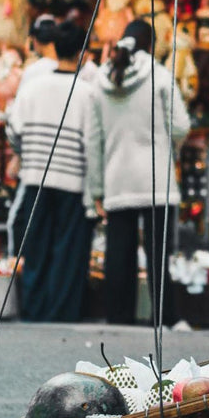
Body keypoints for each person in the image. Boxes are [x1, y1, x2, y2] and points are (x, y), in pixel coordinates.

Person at [85, 19, 190, 326]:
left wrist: (96, 190)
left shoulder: (100, 82)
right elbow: (181, 125)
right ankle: (165, 317)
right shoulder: (159, 75)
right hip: (156, 177)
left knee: (118, 253)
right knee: (158, 254)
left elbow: (94, 140)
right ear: (150, 43)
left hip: (117, 177)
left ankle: (118, 316)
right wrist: (171, 148)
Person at [5, 19, 95, 322]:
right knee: (67, 251)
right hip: (73, 182)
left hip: (36, 179)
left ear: (54, 47)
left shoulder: (33, 88)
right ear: (83, 52)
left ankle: (34, 308)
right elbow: (93, 143)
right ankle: (62, 311)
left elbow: (13, 130)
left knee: (37, 246)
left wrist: (28, 153)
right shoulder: (87, 93)